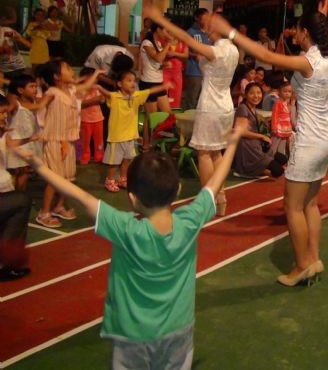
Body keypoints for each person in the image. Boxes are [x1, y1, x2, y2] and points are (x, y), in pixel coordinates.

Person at [11, 119, 247, 367]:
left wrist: (38, 165)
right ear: (178, 189)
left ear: (132, 198)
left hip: (132, 335)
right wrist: (233, 142)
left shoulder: (125, 228)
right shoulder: (190, 221)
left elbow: (80, 196)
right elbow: (213, 184)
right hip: (178, 329)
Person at [209, 2, 328, 286]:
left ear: (306, 32)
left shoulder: (308, 62)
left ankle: (302, 265)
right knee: (311, 204)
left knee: (292, 206)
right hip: (327, 140)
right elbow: (325, 38)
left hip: (308, 141)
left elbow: (266, 55)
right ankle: (313, 258)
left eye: (298, 29)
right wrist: (322, 17)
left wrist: (230, 32)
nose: (294, 33)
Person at [143, 5, 238, 216]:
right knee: (216, 153)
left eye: (210, 26)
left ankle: (207, 202)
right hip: (226, 105)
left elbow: (186, 39)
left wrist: (162, 21)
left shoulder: (217, 50)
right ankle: (221, 198)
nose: (206, 29)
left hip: (211, 105)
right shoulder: (233, 50)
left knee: (203, 153)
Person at [35, 60, 104, 228]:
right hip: (54, 141)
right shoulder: (52, 92)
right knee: (54, 179)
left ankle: (58, 206)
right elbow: (39, 106)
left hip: (68, 141)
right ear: (56, 76)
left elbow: (85, 86)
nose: (71, 70)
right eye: (66, 68)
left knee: (67, 178)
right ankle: (44, 212)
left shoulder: (71, 90)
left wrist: (96, 74)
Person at [99, 70, 171, 193]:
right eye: (129, 80)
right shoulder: (115, 97)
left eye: (134, 81)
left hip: (130, 135)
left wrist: (164, 86)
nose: (133, 83)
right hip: (117, 136)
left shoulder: (136, 96)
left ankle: (123, 179)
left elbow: (150, 91)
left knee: (128, 159)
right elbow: (105, 93)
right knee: (114, 162)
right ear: (119, 84)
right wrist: (97, 86)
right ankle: (109, 180)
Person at [0, 94, 32, 281]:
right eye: (1, 112)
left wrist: (31, 140)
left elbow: (12, 144)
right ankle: (6, 260)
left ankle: (8, 260)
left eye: (5, 112)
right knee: (22, 201)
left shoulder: (4, 133)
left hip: (5, 191)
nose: (5, 116)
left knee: (17, 204)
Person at [232, 82, 288, 179]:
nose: (256, 96)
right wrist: (262, 136)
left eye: (258, 93)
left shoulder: (253, 108)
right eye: (252, 93)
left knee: (283, 159)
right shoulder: (242, 108)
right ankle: (246, 171)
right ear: (246, 95)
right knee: (278, 171)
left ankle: (258, 170)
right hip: (247, 147)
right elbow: (241, 132)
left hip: (257, 146)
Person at [139, 24, 175, 150]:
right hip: (148, 83)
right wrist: (168, 44)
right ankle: (146, 145)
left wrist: (165, 65)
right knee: (151, 117)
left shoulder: (158, 43)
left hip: (158, 82)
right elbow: (158, 58)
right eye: (165, 30)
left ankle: (158, 141)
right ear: (158, 29)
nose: (167, 33)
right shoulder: (147, 43)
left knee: (168, 114)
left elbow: (156, 64)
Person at [6, 75, 42, 191]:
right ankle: (12, 195)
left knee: (24, 171)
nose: (35, 89)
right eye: (31, 86)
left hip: (29, 141)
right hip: (16, 142)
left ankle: (20, 195)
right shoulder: (15, 103)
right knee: (15, 172)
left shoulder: (33, 101)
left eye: (36, 86)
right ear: (20, 90)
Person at [182, 8, 210, 110]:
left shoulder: (209, 33)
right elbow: (183, 51)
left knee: (203, 101)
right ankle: (187, 119)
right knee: (191, 99)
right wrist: (195, 55)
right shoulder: (190, 32)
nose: (206, 20)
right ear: (196, 18)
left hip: (206, 71)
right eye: (204, 18)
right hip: (194, 70)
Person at [78, 67, 105, 165]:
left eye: (95, 77)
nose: (94, 80)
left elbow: (103, 99)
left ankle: (99, 157)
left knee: (99, 140)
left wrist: (101, 99)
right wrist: (94, 100)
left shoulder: (97, 88)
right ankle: (84, 157)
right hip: (85, 120)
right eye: (91, 77)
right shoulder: (81, 90)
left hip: (98, 118)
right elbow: (80, 104)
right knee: (85, 141)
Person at [162, 33, 188, 109]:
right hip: (165, 70)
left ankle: (174, 114)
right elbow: (160, 53)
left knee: (176, 95)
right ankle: (163, 114)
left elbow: (186, 55)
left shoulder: (183, 42)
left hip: (177, 71)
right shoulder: (164, 40)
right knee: (163, 94)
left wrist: (174, 54)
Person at [269, 80, 294, 157]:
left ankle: (280, 160)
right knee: (273, 147)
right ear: (279, 91)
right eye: (285, 91)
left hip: (285, 129)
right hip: (278, 128)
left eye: (289, 91)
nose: (287, 93)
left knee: (281, 148)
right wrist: (274, 128)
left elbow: (288, 117)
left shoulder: (286, 103)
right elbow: (275, 115)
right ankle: (269, 160)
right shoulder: (278, 102)